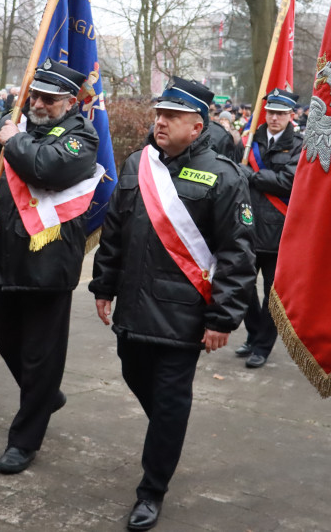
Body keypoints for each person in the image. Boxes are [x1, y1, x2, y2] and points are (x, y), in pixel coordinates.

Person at [90, 76, 256, 530]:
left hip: (184, 318)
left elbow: (237, 255)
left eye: (172, 116)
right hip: (133, 310)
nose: (159, 122)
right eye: (159, 114)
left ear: (197, 126)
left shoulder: (224, 176)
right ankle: (167, 434)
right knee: (135, 375)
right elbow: (114, 235)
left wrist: (223, 318)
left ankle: (152, 489)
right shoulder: (135, 165)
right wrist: (103, 287)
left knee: (169, 403)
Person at [0, 58, 100, 475]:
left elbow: (47, 169)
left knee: (41, 355)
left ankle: (24, 439)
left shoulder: (81, 135)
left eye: (48, 99)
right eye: (34, 94)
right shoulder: (12, 122)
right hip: (4, 256)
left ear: (69, 101)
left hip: (49, 262)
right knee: (5, 340)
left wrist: (11, 139)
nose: (36, 102)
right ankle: (43, 395)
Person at [234, 88, 301, 369]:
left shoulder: (298, 144)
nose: (274, 118)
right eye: (271, 112)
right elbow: (234, 173)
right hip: (247, 225)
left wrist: (254, 175)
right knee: (242, 288)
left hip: (279, 231)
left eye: (281, 113)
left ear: (291, 115)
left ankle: (262, 346)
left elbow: (289, 180)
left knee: (273, 294)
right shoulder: (250, 141)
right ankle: (252, 335)